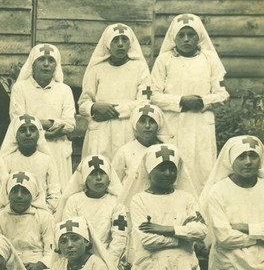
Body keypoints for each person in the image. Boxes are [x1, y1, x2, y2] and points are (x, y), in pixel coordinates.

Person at [119, 143, 207, 270]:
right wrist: (184, 236)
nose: (168, 173)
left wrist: (168, 229)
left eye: (172, 168)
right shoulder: (140, 200)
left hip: (184, 266)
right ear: (149, 170)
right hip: (152, 267)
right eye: (161, 168)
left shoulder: (186, 198)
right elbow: (148, 241)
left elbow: (202, 231)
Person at [151, 13, 229, 191]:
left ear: (199, 36)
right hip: (173, 124)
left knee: (203, 169)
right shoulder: (164, 60)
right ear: (173, 37)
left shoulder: (210, 59)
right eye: (181, 35)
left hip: (201, 123)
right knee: (174, 167)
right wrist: (181, 101)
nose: (186, 39)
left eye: (191, 34)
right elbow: (154, 95)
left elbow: (222, 94)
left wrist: (203, 101)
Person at [200, 135, 264, 270]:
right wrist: (260, 237)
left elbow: (232, 233)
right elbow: (224, 237)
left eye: (253, 156)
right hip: (229, 263)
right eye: (242, 157)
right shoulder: (218, 191)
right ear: (230, 159)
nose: (248, 162)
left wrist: (247, 227)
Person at [78, 23, 151, 161]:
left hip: (127, 129)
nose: (120, 44)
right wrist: (95, 107)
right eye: (115, 40)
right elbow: (83, 104)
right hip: (101, 131)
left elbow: (145, 101)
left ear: (130, 43)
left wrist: (113, 111)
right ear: (107, 43)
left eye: (124, 40)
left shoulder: (139, 67)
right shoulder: (96, 69)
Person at [10, 43, 76, 188]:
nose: (46, 64)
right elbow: (18, 121)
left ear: (56, 65)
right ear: (32, 64)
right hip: (31, 149)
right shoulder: (20, 89)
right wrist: (50, 131)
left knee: (57, 190)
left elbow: (70, 124)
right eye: (41, 60)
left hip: (57, 149)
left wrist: (44, 123)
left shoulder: (64, 90)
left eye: (51, 60)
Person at [57, 155, 128, 270]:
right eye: (93, 174)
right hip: (79, 259)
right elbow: (70, 234)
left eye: (102, 173)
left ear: (109, 177)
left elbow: (119, 237)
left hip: (108, 260)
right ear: (84, 178)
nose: (99, 178)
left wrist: (108, 264)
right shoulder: (74, 200)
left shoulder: (117, 202)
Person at [0, 171, 54, 270]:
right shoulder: (0, 217)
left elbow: (51, 251)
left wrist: (39, 265)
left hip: (37, 266)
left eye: (24, 192)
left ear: (33, 194)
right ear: (8, 194)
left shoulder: (44, 217)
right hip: (8, 267)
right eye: (14, 191)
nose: (19, 196)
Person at [1, 113, 61, 213]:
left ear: (39, 134)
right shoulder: (7, 161)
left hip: (42, 214)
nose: (28, 133)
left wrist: (45, 212)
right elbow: (2, 194)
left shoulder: (47, 160)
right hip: (12, 214)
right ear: (15, 135)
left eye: (32, 130)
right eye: (23, 130)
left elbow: (54, 193)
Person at [111, 103, 172, 185]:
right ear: (134, 124)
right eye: (142, 121)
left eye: (152, 121)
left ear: (159, 125)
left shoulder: (167, 150)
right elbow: (114, 183)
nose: (147, 126)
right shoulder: (124, 151)